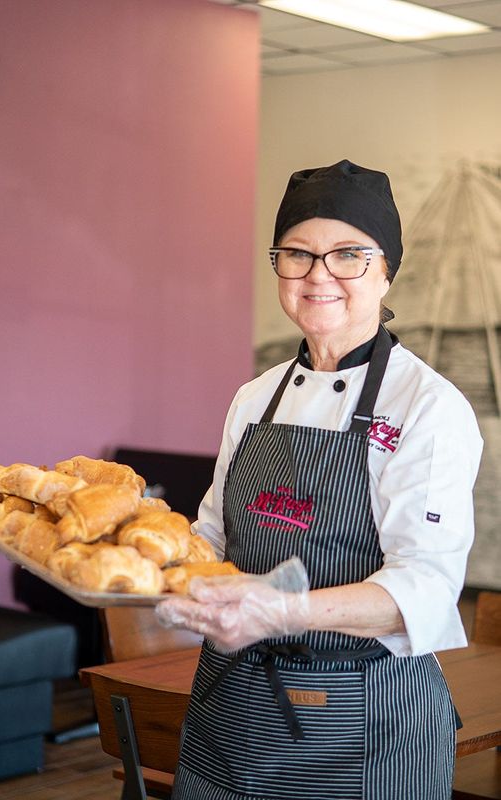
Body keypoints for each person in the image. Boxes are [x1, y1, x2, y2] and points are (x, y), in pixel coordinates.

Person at [157, 159, 484, 800]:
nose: (318, 276)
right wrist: (144, 569)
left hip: (364, 717)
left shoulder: (428, 405)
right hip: (230, 703)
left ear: (386, 268)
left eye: (348, 255)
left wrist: (283, 612)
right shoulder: (255, 398)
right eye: (297, 255)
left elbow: (423, 587)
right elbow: (210, 537)